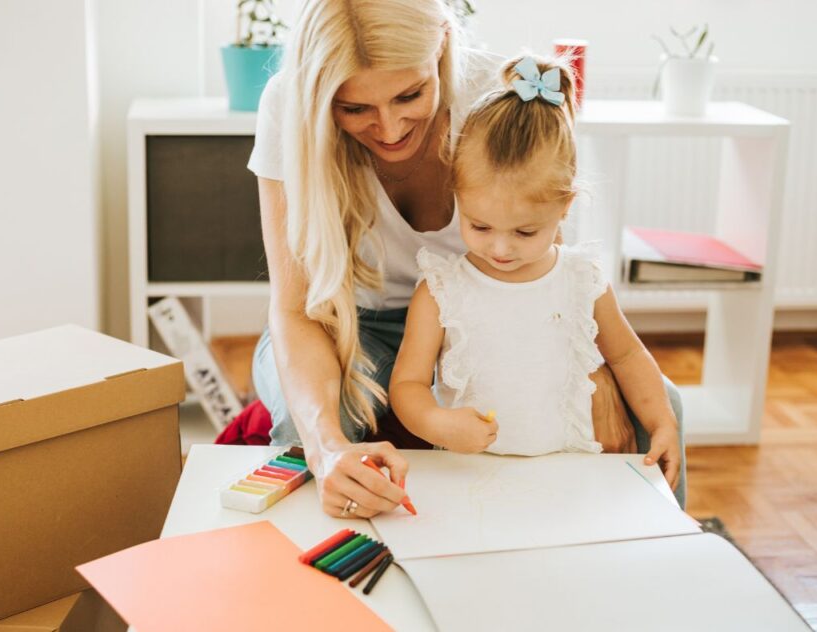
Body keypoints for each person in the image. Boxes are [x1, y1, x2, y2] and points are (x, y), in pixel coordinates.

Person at [247, 0, 684, 519]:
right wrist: (326, 446)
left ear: (443, 51)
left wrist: (591, 371)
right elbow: (295, 308)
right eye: (355, 109)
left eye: (410, 94)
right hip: (345, 320)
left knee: (662, 406)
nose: (388, 129)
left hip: (486, 314)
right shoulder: (287, 106)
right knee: (307, 429)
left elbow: (554, 267)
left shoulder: (502, 94)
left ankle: (665, 554)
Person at [389, 54, 685, 502]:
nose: (500, 248)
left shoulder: (582, 280)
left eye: (525, 231)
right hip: (471, 477)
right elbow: (408, 384)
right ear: (458, 197)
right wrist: (436, 422)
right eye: (480, 226)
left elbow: (626, 357)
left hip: (570, 471)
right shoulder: (440, 290)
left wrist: (663, 422)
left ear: (565, 207)